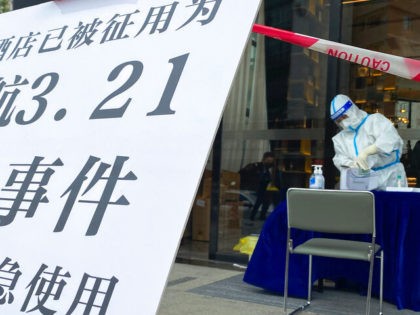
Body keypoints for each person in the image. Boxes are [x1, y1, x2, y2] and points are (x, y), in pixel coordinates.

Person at [330, 94, 407, 190]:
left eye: (344, 116)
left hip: (390, 178)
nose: (343, 122)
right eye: (339, 120)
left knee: (392, 204)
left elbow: (391, 139)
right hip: (363, 182)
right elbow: (340, 160)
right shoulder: (340, 139)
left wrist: (368, 151)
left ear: (352, 110)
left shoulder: (374, 121)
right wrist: (352, 165)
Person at [247, 152, 282, 221]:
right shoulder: (259, 166)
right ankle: (252, 216)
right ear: (264, 159)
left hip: (270, 188)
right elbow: (257, 176)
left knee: (266, 203)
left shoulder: (274, 168)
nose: (270, 162)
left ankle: (262, 216)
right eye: (268, 161)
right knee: (258, 202)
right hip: (262, 187)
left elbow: (277, 178)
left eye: (271, 161)